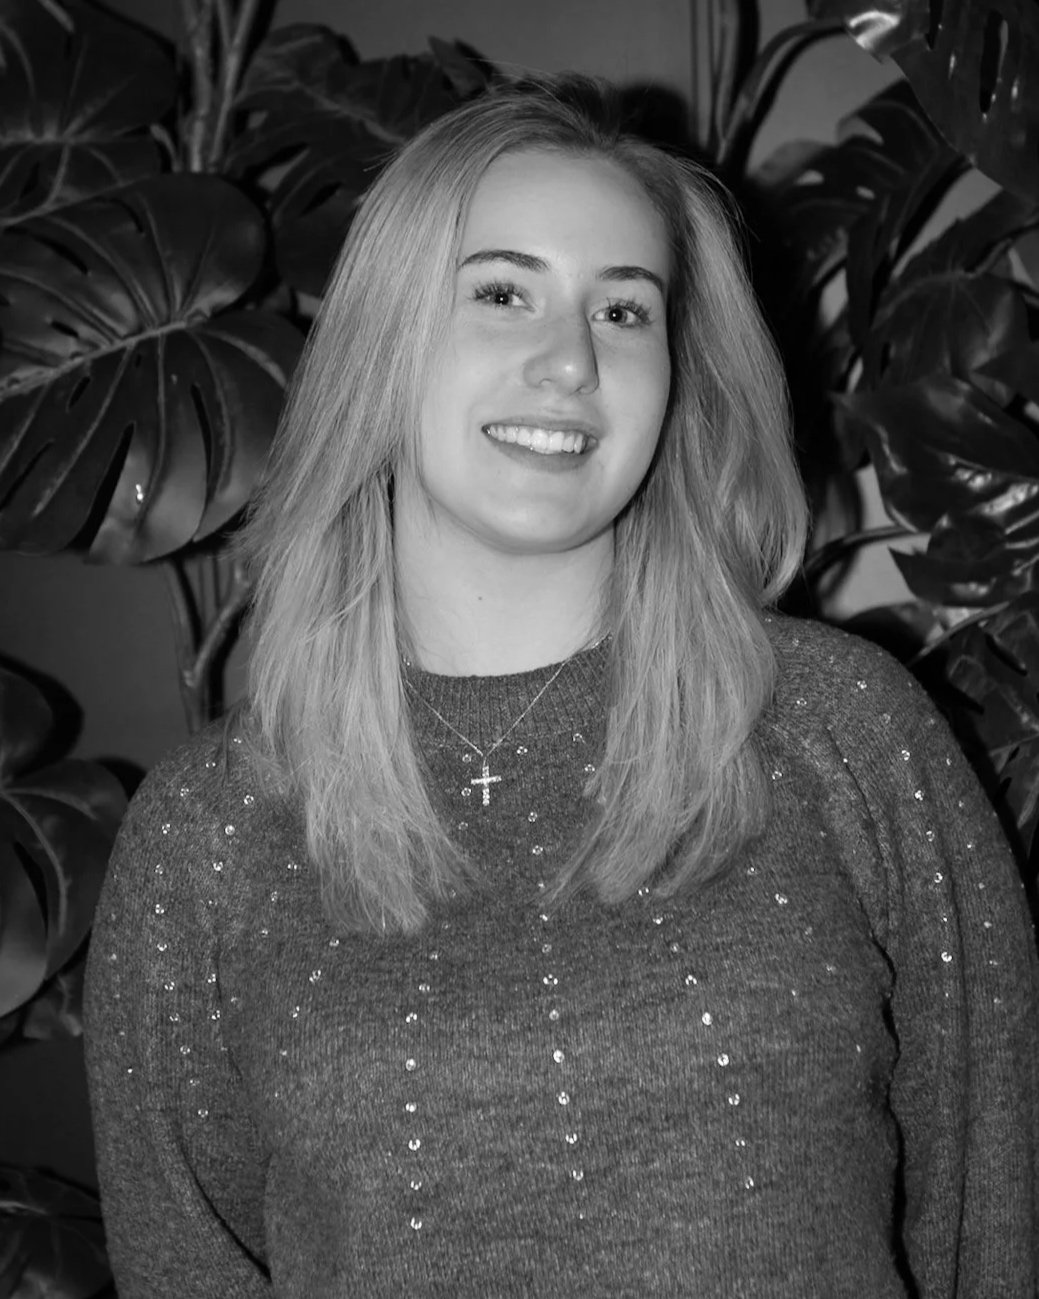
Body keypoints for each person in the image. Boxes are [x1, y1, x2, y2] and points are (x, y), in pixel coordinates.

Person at [84, 74, 1038, 1297]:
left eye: (624, 312)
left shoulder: (844, 732)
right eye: (500, 293)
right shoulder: (207, 832)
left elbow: (993, 1218)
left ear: (677, 380)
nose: (570, 362)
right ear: (385, 345)